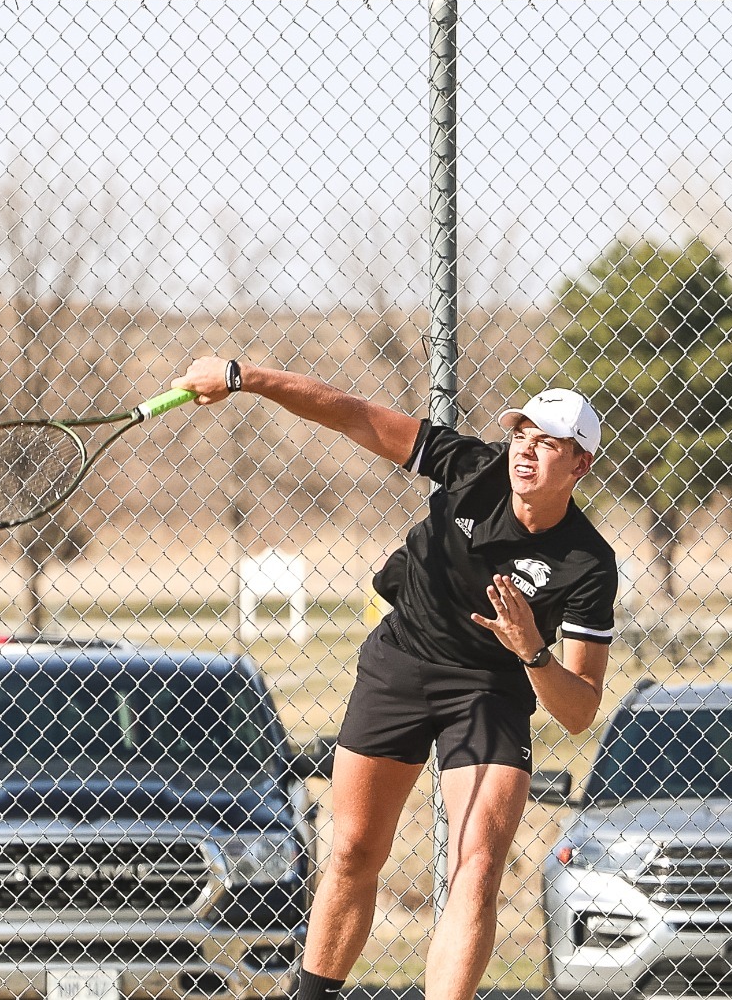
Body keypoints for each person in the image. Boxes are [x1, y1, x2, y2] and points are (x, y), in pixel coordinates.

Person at [173, 357, 621, 1000]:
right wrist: (245, 377)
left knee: (478, 867)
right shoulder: (472, 468)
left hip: (493, 690)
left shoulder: (587, 564)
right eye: (522, 433)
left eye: (549, 442)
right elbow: (352, 413)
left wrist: (533, 654)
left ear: (579, 465)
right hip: (402, 662)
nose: (527, 449)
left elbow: (578, 710)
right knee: (354, 850)